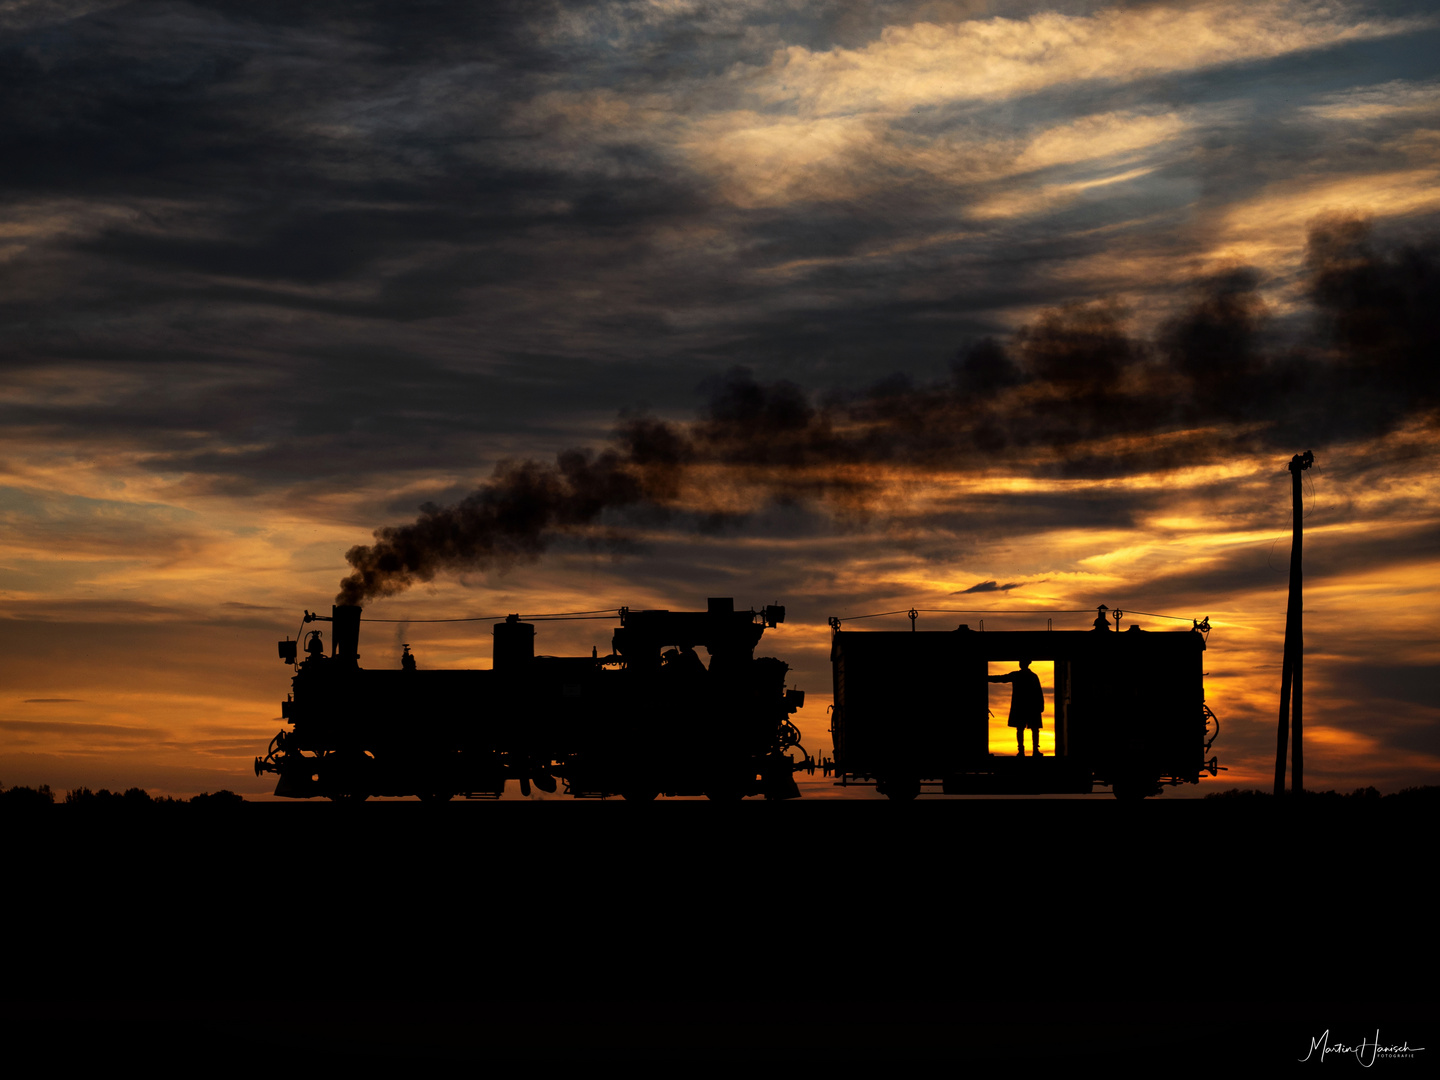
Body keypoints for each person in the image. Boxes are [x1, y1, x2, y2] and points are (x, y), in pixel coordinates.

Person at [989, 659, 1045, 756]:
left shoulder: (1020, 675)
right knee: (1030, 729)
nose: (1020, 664)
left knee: (1026, 728)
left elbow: (1001, 678)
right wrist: (1041, 705)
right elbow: (1039, 692)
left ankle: (1026, 751)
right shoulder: (1032, 676)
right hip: (1030, 706)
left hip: (1023, 706)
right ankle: (1031, 750)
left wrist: (1040, 705)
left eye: (1021, 662)